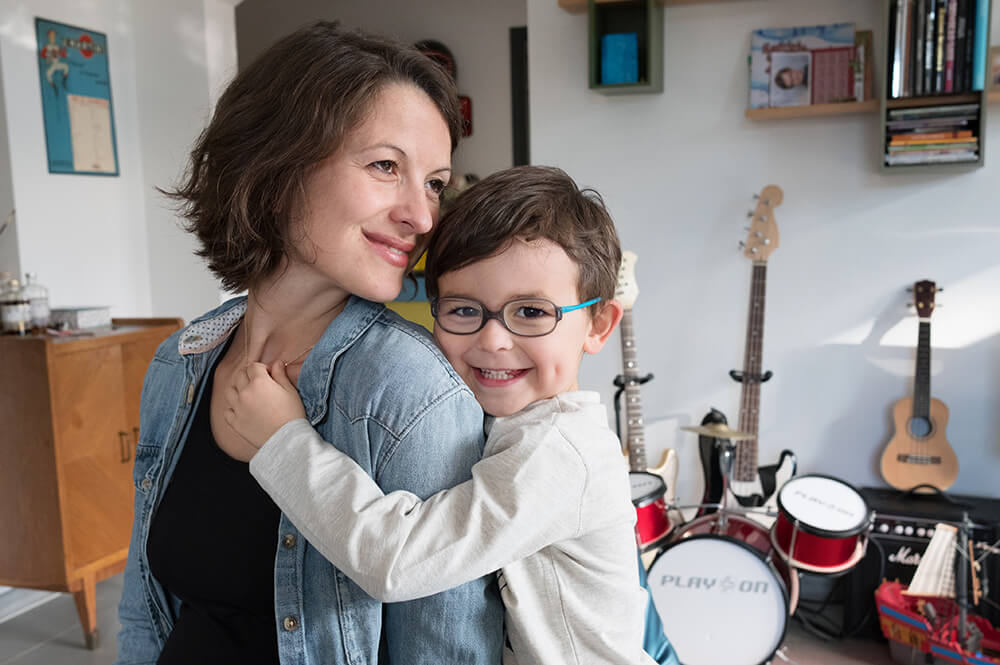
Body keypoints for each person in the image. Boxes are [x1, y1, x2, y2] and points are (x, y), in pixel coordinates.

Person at [114, 20, 503, 665]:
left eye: (433, 182)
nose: (424, 215)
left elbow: (447, 652)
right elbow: (143, 605)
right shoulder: (179, 364)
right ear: (278, 164)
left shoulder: (409, 392)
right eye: (385, 166)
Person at [226, 166, 678, 665]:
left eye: (530, 312)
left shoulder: (561, 453)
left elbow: (396, 560)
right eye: (464, 310)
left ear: (598, 324)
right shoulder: (505, 421)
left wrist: (282, 439)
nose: (492, 340)